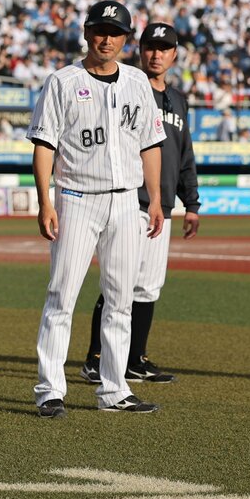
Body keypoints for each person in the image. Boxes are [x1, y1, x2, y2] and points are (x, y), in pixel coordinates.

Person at [29, 1, 166, 419]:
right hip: (77, 198)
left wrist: (156, 197)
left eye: (116, 32)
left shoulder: (138, 82)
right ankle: (50, 389)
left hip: (127, 200)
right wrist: (44, 200)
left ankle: (114, 388)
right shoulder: (62, 81)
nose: (107, 39)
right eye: (100, 30)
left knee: (120, 298)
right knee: (62, 294)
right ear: (86, 33)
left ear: (126, 39)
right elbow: (44, 145)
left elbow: (150, 143)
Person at [84, 22, 199, 385]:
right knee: (118, 284)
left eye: (164, 48)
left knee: (148, 286)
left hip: (160, 206)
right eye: (151, 46)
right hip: (129, 198)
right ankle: (95, 358)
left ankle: (136, 359)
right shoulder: (126, 87)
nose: (156, 54)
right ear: (140, 49)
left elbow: (184, 156)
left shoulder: (178, 100)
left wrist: (190, 202)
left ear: (174, 54)